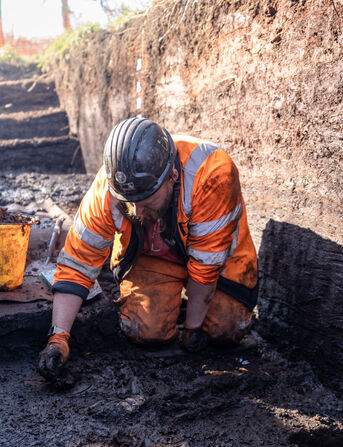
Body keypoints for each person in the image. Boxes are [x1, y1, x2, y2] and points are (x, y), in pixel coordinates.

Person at [37, 116, 258, 379]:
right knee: (145, 332)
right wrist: (58, 337)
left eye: (145, 200)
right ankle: (171, 303)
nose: (135, 210)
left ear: (172, 178)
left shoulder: (212, 174)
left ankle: (191, 311)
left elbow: (205, 269)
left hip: (218, 258)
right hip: (156, 257)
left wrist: (192, 330)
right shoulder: (107, 190)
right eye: (127, 201)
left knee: (226, 331)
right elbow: (76, 266)